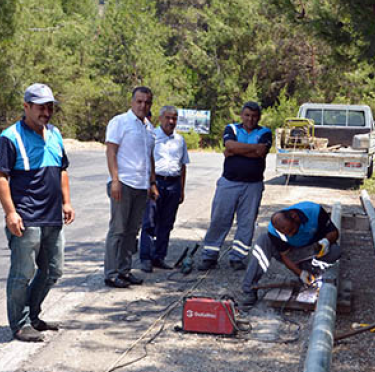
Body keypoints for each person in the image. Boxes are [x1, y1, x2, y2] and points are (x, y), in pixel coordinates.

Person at [0, 83, 76, 342]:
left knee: (53, 270)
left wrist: (67, 202)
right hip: (26, 217)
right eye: (40, 107)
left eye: (49, 107)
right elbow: (1, 176)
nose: (46, 112)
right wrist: (10, 213)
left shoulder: (55, 134)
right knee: (22, 272)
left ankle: (33, 315)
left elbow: (62, 169)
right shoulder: (10, 136)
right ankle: (20, 324)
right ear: (26, 106)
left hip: (52, 215)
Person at [198, 101, 272, 271]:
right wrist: (249, 149)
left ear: (258, 117)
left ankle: (238, 257)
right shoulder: (231, 128)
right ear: (241, 115)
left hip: (253, 186)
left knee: (246, 223)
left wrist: (236, 150)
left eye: (254, 116)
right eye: (247, 115)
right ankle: (209, 256)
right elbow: (229, 146)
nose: (250, 119)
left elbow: (261, 151)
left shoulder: (265, 132)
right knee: (219, 219)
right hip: (229, 183)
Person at [240, 201, 341, 306]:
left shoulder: (314, 212)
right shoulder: (274, 232)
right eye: (285, 233)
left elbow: (334, 233)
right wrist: (300, 273)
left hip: (313, 248)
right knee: (264, 240)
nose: (290, 234)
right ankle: (249, 289)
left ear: (295, 217)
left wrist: (326, 241)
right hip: (293, 252)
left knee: (334, 251)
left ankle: (317, 274)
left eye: (292, 230)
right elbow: (285, 256)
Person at [103, 87, 155, 288]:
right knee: (117, 230)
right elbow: (111, 151)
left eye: (147, 102)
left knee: (132, 231)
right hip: (123, 184)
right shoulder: (120, 122)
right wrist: (115, 180)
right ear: (132, 102)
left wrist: (151, 183)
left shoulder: (148, 127)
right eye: (139, 101)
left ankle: (124, 270)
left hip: (141, 186)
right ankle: (111, 273)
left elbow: (149, 157)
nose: (143, 106)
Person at [139, 106, 190, 272]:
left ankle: (159, 257)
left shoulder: (180, 140)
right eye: (167, 118)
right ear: (160, 119)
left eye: (174, 118)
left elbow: (183, 166)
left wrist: (182, 189)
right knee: (150, 222)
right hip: (156, 182)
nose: (171, 121)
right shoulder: (152, 136)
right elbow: (146, 162)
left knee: (167, 223)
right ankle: (146, 257)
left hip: (173, 184)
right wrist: (149, 184)